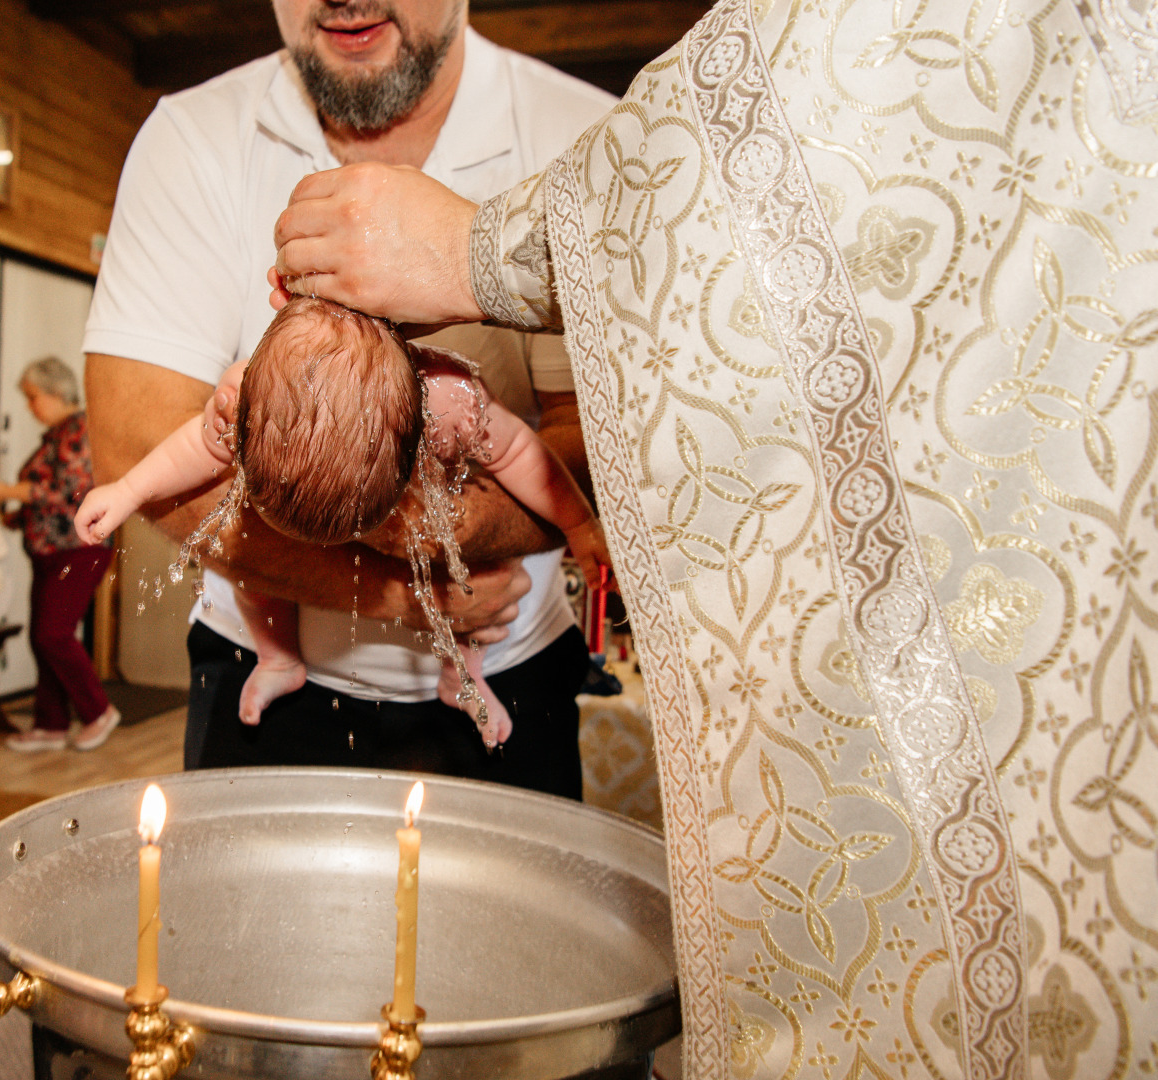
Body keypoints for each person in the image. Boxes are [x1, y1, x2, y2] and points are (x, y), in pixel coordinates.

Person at [271, 2, 1158, 1077]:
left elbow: (548, 450)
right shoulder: (194, 135)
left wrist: (486, 251)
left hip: (507, 658)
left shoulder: (565, 138)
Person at [83, 0, 616, 798]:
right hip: (257, 685)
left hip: (509, 668)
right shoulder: (190, 136)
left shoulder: (593, 142)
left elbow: (604, 443)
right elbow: (143, 440)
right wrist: (406, 588)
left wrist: (472, 539)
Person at [76, 297, 609, 745]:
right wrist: (127, 491)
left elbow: (525, 458)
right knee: (255, 569)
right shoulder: (248, 396)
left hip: (431, 512)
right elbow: (196, 449)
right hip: (273, 537)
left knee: (476, 569)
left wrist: (581, 525)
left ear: (413, 442)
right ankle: (277, 656)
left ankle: (465, 674)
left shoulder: (452, 403)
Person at [0, 356, 122, 752]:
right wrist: (15, 517)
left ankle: (98, 711)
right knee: (44, 638)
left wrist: (9, 492)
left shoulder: (78, 432)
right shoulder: (58, 434)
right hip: (50, 551)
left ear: (58, 393)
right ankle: (51, 723)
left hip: (77, 550)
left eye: (33, 397)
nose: (30, 406)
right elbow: (47, 499)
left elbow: (71, 493)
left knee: (53, 634)